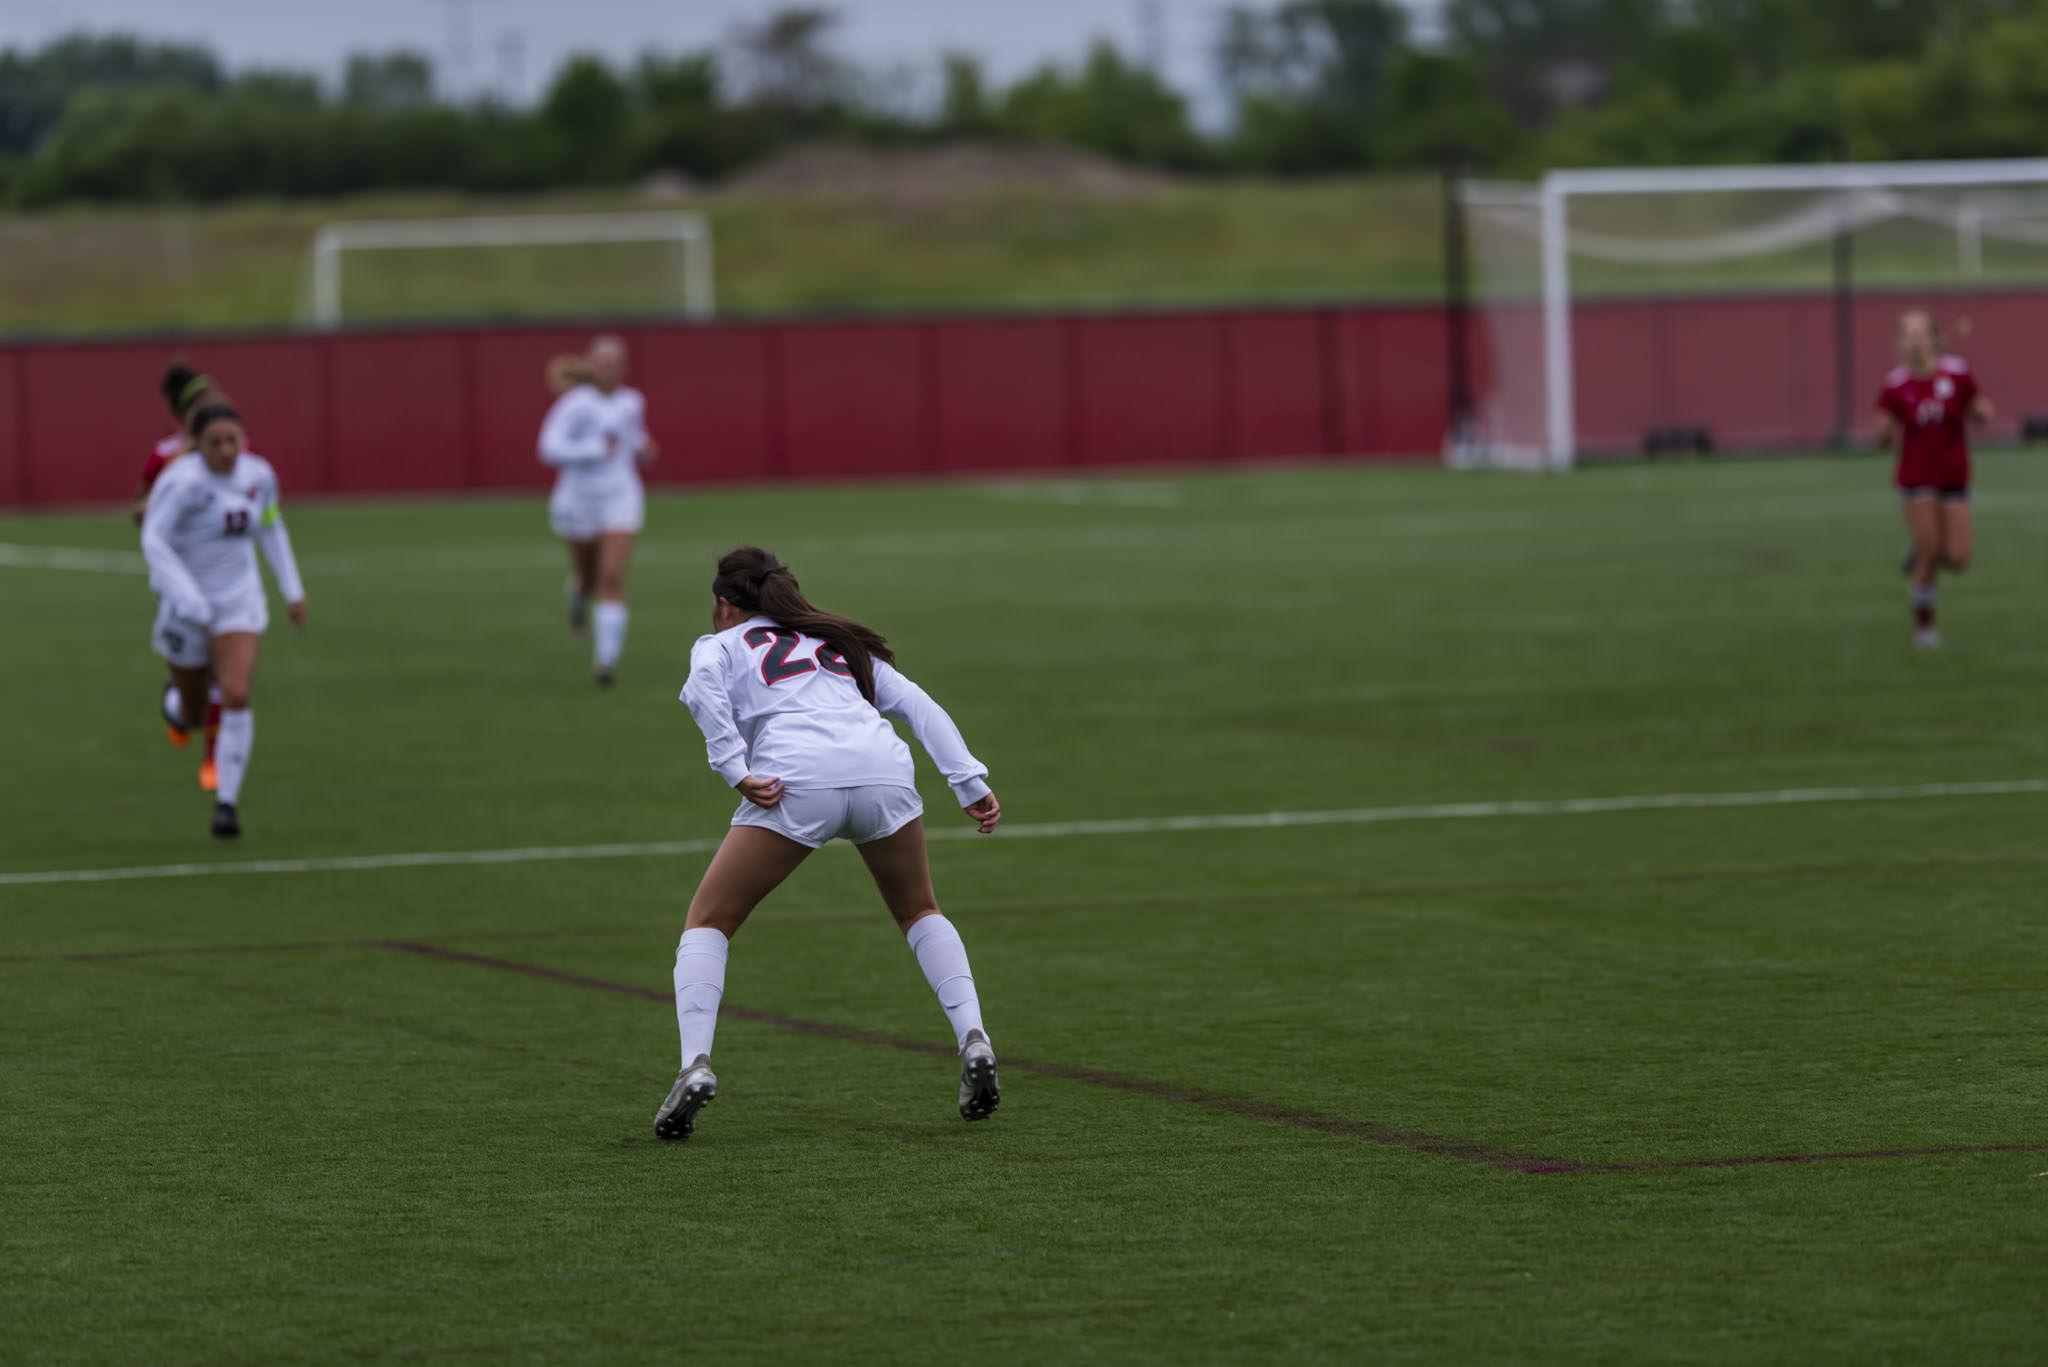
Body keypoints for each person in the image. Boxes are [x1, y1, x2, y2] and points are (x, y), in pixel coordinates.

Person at [657, 547, 1004, 1142]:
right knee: (920, 910)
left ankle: (695, 1065)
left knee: (708, 921)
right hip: (882, 774)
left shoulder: (717, 645)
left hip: (797, 781)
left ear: (723, 604)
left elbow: (700, 694)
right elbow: (918, 705)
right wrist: (968, 781)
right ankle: (974, 1036)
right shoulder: (837, 641)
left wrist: (735, 770)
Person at [139, 403, 307, 838]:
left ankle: (226, 805)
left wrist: (292, 590)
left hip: (238, 603)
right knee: (195, 715)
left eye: (232, 440)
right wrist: (190, 601)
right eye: (215, 443)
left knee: (234, 693)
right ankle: (176, 705)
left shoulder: (258, 476)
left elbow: (271, 526)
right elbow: (153, 540)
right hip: (186, 608)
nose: (227, 450)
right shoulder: (181, 483)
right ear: (198, 445)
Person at [537, 335, 656, 686]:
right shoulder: (575, 404)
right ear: (591, 366)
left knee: (611, 576)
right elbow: (548, 448)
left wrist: (644, 448)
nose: (608, 370)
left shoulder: (633, 401)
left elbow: (631, 438)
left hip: (620, 497)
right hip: (578, 501)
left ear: (623, 368)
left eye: (614, 363)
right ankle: (577, 596)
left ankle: (605, 662)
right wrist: (592, 449)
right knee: (588, 579)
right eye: (601, 363)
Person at [1876, 309, 1991, 650]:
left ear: (1933, 338)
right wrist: (1882, 433)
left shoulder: (1957, 373)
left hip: (1955, 474)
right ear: (1899, 343)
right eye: (1907, 334)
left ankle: (1919, 549)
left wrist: (1983, 413)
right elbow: (1882, 432)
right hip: (1916, 478)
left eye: (1920, 332)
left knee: (1957, 558)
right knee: (1932, 550)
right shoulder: (1896, 383)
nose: (1914, 339)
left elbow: (1978, 408)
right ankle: (1924, 628)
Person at [139, 361, 230, 791]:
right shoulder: (166, 458)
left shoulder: (231, 452)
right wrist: (158, 504)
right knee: (195, 687)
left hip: (223, 580)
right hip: (179, 581)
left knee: (222, 674)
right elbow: (139, 512)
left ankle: (214, 763)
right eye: (201, 403)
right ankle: (177, 709)